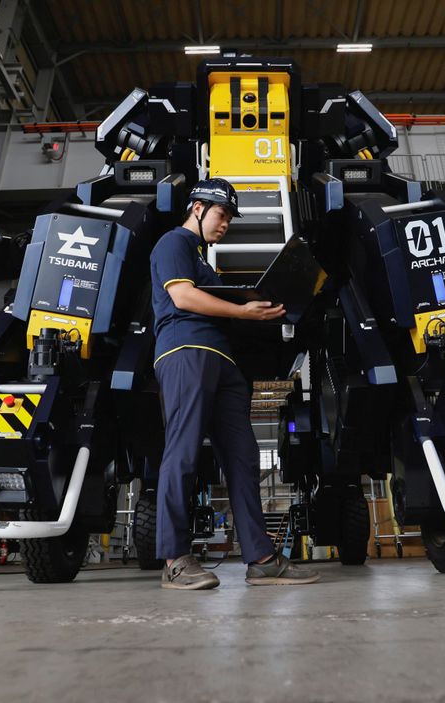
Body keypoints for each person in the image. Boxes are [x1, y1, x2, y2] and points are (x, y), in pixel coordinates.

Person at [149, 178, 321, 590]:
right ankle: (174, 559)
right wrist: (244, 312)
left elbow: (217, 301)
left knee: (244, 458)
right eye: (221, 214)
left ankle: (261, 559)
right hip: (186, 350)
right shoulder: (173, 243)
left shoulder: (203, 263)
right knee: (183, 451)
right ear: (197, 208)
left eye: (229, 217)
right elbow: (184, 298)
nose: (225, 223)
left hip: (224, 363)